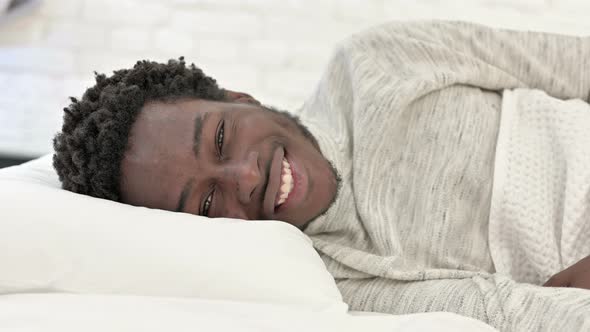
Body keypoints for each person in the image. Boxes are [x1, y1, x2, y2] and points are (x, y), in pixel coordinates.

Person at [52, 20, 590, 331]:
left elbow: (573, 64)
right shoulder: (342, 282)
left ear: (239, 98)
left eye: (220, 138)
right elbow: (542, 318)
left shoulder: (375, 63)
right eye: (206, 204)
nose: (243, 177)